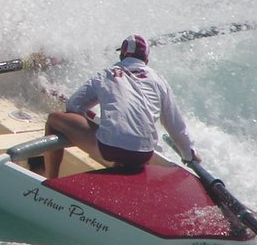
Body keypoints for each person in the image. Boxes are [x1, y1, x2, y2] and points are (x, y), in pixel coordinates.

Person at [41, 34, 201, 179]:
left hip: (111, 150)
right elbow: (175, 125)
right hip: (145, 154)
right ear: (147, 60)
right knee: (123, 138)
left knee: (54, 119)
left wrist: (90, 122)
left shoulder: (106, 74)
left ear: (121, 55)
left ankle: (50, 180)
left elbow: (73, 106)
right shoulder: (159, 81)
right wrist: (189, 153)